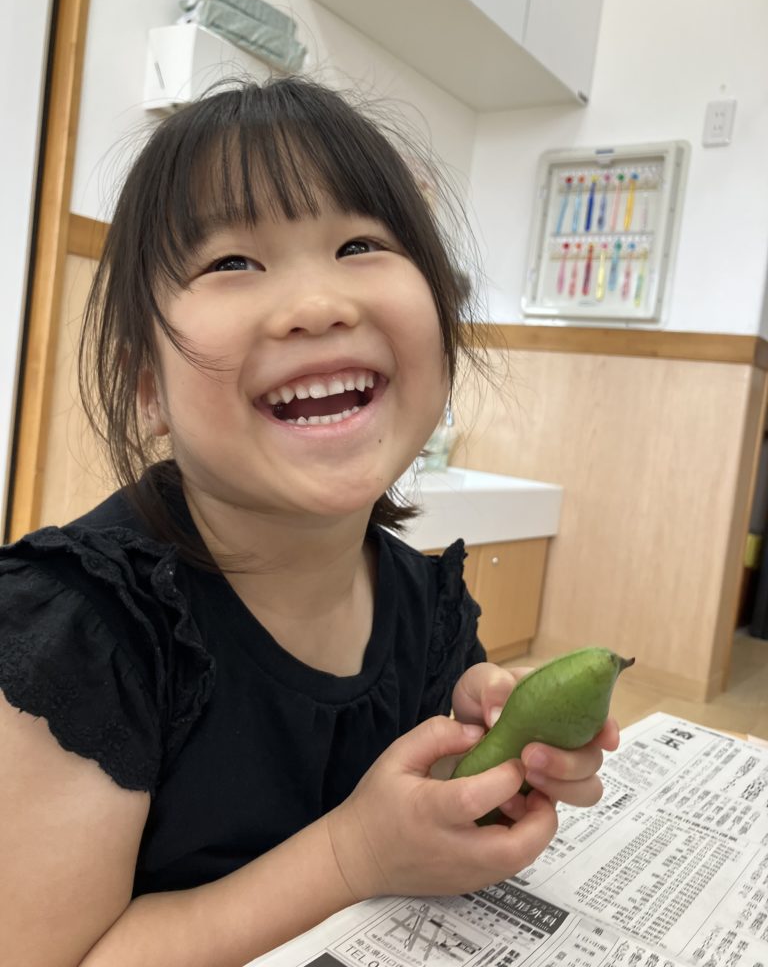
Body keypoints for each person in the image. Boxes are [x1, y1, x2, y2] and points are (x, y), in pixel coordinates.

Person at [0, 77, 618, 967]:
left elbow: (431, 822)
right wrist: (353, 855)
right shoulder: (78, 636)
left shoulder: (430, 612)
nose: (319, 304)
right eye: (232, 262)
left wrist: (492, 763)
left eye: (360, 244)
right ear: (147, 390)